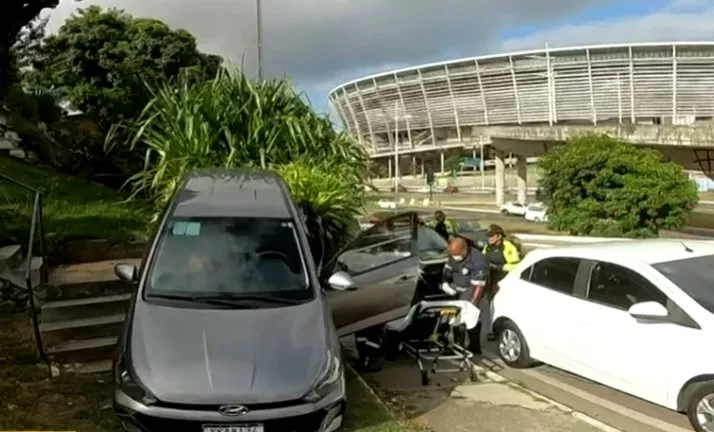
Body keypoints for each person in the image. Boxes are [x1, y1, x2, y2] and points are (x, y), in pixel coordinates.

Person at [440, 236, 489, 354]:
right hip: (456, 288)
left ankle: (474, 346)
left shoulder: (478, 259)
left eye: (458, 255)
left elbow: (478, 285)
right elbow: (447, 269)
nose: (456, 258)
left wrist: (472, 304)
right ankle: (455, 344)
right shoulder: (454, 254)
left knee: (469, 317)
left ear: (465, 250)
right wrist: (445, 283)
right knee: (449, 316)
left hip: (472, 289)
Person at [482, 224, 522, 340]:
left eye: (492, 236)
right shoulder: (487, 247)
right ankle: (490, 330)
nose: (489, 238)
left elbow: (516, 266)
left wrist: (498, 267)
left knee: (503, 304)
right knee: (490, 304)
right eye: (488, 236)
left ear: (499, 236)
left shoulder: (508, 247)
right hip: (491, 280)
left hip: (504, 280)